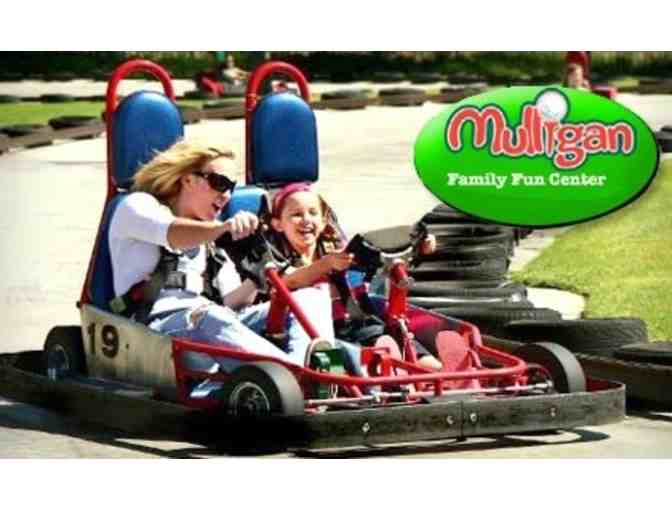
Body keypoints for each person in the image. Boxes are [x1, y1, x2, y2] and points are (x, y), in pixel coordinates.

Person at [107, 141, 334, 371]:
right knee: (209, 317)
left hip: (209, 327)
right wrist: (223, 229)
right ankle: (300, 376)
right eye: (220, 183)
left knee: (311, 298)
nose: (226, 196)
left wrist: (256, 273)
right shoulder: (137, 206)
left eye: (231, 188)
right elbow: (172, 233)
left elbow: (231, 303)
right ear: (188, 179)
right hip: (155, 335)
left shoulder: (212, 240)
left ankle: (329, 373)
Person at [268, 182, 444, 371]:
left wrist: (418, 245)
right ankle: (381, 369)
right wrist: (326, 264)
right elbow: (289, 281)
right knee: (351, 357)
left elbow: (378, 260)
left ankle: (439, 369)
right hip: (325, 333)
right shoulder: (279, 259)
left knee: (410, 347)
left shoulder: (338, 251)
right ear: (277, 224)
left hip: (361, 321)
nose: (306, 220)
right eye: (296, 214)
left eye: (313, 213)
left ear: (324, 220)